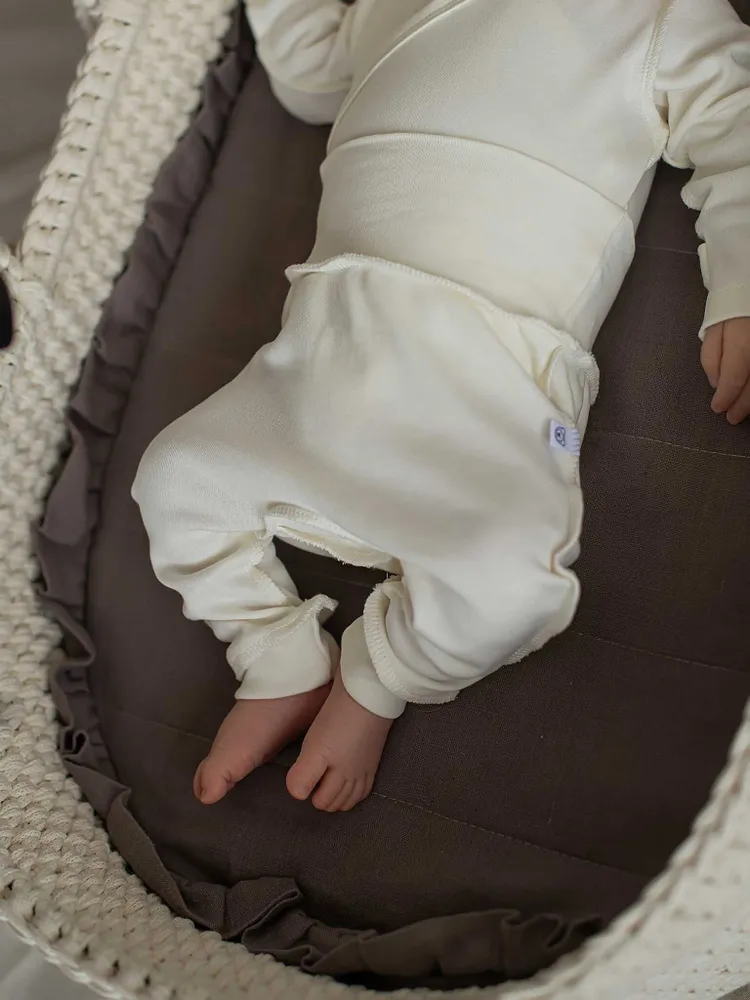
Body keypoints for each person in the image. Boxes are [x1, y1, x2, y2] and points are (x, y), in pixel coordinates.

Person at [132, 0, 750, 813]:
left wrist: (739, 285)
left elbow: (738, 126)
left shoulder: (658, 14)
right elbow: (308, 75)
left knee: (513, 581)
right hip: (319, 355)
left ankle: (377, 678)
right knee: (174, 477)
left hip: (492, 379)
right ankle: (276, 654)